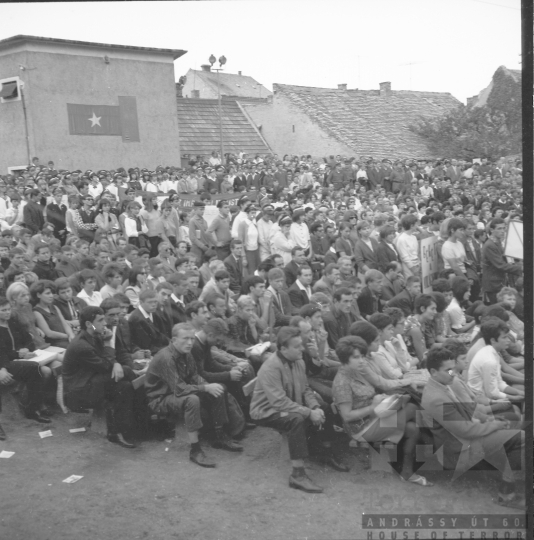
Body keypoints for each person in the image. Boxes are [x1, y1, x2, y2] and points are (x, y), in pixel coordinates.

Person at [422, 347, 525, 509]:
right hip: (459, 449)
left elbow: (467, 410)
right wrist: (494, 424)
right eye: (448, 370)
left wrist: (489, 419)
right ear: (433, 371)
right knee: (522, 438)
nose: (453, 373)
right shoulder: (435, 397)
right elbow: (465, 430)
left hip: (466, 438)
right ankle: (506, 494)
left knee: (515, 428)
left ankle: (507, 472)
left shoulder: (442, 384)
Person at [250, 327, 339, 493]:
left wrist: (315, 407)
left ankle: (326, 453)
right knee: (295, 419)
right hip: (266, 411)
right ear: (283, 349)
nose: (302, 349)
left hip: (288, 404)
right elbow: (278, 402)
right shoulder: (271, 367)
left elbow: (305, 389)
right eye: (297, 347)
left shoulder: (299, 361)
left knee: (324, 407)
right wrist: (308, 412)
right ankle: (297, 475)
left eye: (301, 345)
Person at [333, 335, 429, 485]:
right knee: (412, 407)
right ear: (345, 358)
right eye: (356, 357)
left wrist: (382, 400)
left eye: (362, 357)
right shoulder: (342, 382)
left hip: (374, 417)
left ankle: (407, 471)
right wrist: (373, 406)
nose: (362, 361)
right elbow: (347, 416)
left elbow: (376, 389)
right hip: (361, 428)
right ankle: (434, 453)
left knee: (413, 429)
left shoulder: (357, 371)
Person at [146, 323, 244, 468]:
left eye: (192, 338)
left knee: (219, 389)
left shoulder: (186, 353)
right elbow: (179, 389)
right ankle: (195, 449)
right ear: (173, 340)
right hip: (160, 398)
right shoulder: (166, 358)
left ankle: (219, 435)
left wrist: (209, 387)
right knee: (192, 399)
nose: (190, 343)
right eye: (185, 339)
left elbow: (194, 376)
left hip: (175, 394)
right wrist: (205, 387)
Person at [62, 306, 137, 448]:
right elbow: (105, 365)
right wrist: (109, 345)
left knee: (125, 386)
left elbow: (107, 361)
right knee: (127, 372)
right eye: (101, 320)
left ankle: (117, 432)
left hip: (92, 381)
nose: (105, 323)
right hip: (79, 393)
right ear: (89, 324)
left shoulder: (93, 336)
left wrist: (115, 363)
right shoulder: (82, 345)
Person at [0, 296, 51, 432]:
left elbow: (28, 338)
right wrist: (14, 357)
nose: (7, 312)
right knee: (35, 368)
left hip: (16, 359)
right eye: (3, 310)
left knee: (38, 369)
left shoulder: (12, 322)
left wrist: (26, 349)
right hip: (5, 363)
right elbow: (2, 353)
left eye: (8, 309)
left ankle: (32, 408)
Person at [467, 318, 524, 403]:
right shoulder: (489, 360)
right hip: (480, 400)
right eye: (504, 337)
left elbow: (499, 382)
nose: (508, 340)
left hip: (487, 395)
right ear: (493, 340)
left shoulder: (492, 351)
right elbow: (492, 394)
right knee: (517, 408)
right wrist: (514, 397)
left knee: (522, 392)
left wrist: (519, 393)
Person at [481, 218, 522, 305]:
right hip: (493, 285)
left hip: (499, 282)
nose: (503, 231)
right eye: (499, 228)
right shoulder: (489, 245)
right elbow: (500, 265)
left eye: (504, 228)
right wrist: (520, 268)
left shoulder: (497, 242)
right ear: (492, 230)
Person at [31, 280, 74, 349]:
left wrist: (71, 334)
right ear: (38, 295)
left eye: (51, 293)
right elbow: (49, 333)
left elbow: (65, 324)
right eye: (47, 293)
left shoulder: (54, 307)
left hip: (67, 338)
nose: (51, 296)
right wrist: (67, 336)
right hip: (55, 343)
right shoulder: (36, 312)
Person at [127, 290, 170, 355]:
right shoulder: (136, 319)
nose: (154, 305)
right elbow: (145, 345)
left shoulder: (154, 312)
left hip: (159, 348)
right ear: (141, 302)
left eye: (155, 301)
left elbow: (162, 334)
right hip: (147, 352)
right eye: (150, 302)